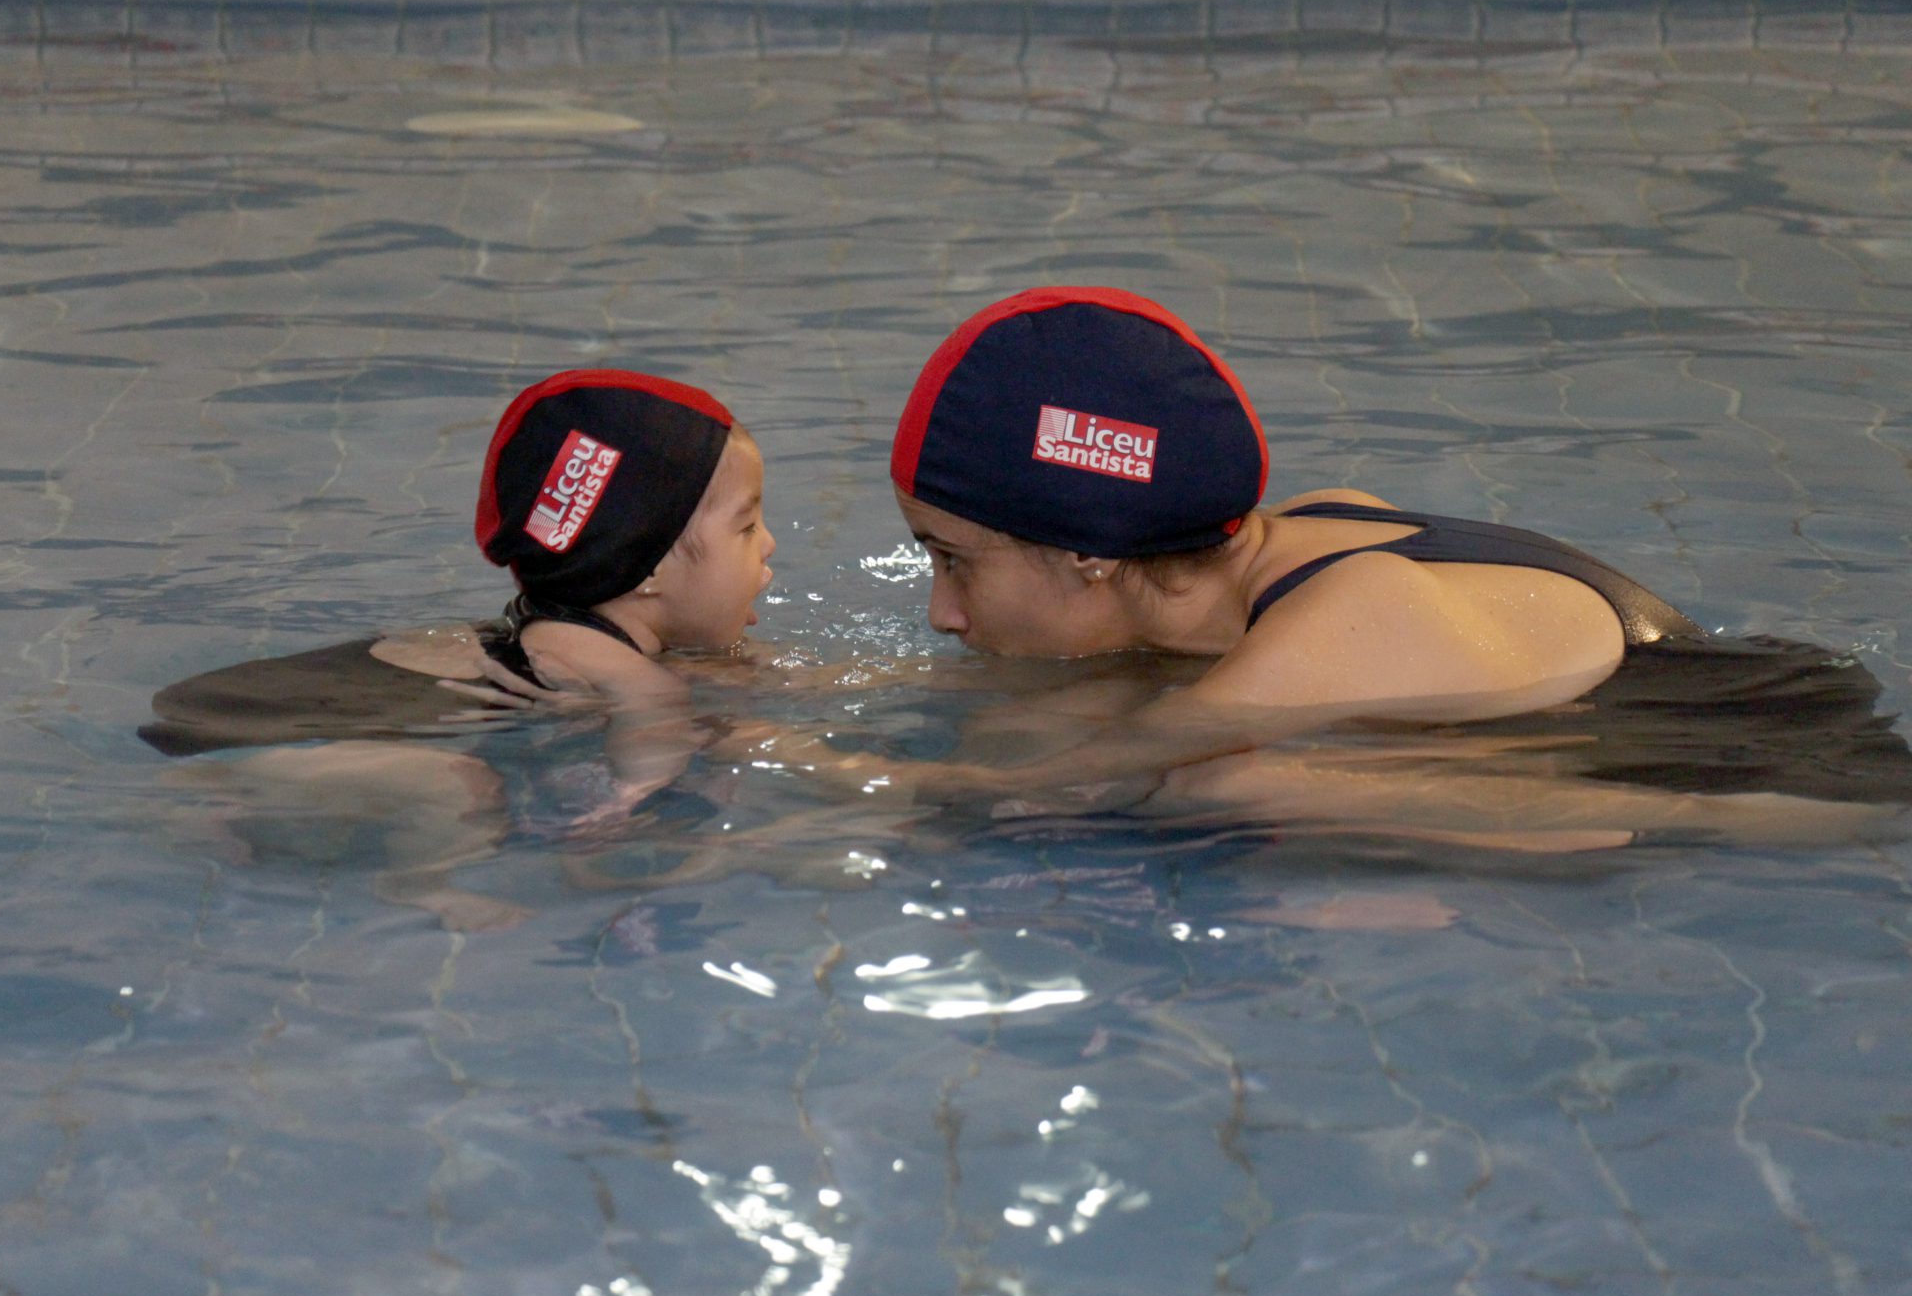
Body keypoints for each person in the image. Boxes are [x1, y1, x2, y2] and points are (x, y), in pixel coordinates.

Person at [745, 286, 1911, 845]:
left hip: (1793, 785)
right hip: (1727, 695)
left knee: (1209, 790)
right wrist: (764, 679)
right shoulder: (1280, 541)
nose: (942, 612)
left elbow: (1036, 786)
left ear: (1091, 555)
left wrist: (775, 765)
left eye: (953, 561)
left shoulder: (1339, 622)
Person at [143, 369, 778, 924]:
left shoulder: (563, 629)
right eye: (747, 526)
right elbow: (658, 728)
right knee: (458, 786)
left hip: (259, 712)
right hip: (279, 746)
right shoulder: (613, 662)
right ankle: (417, 886)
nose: (769, 543)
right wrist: (626, 806)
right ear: (649, 568)